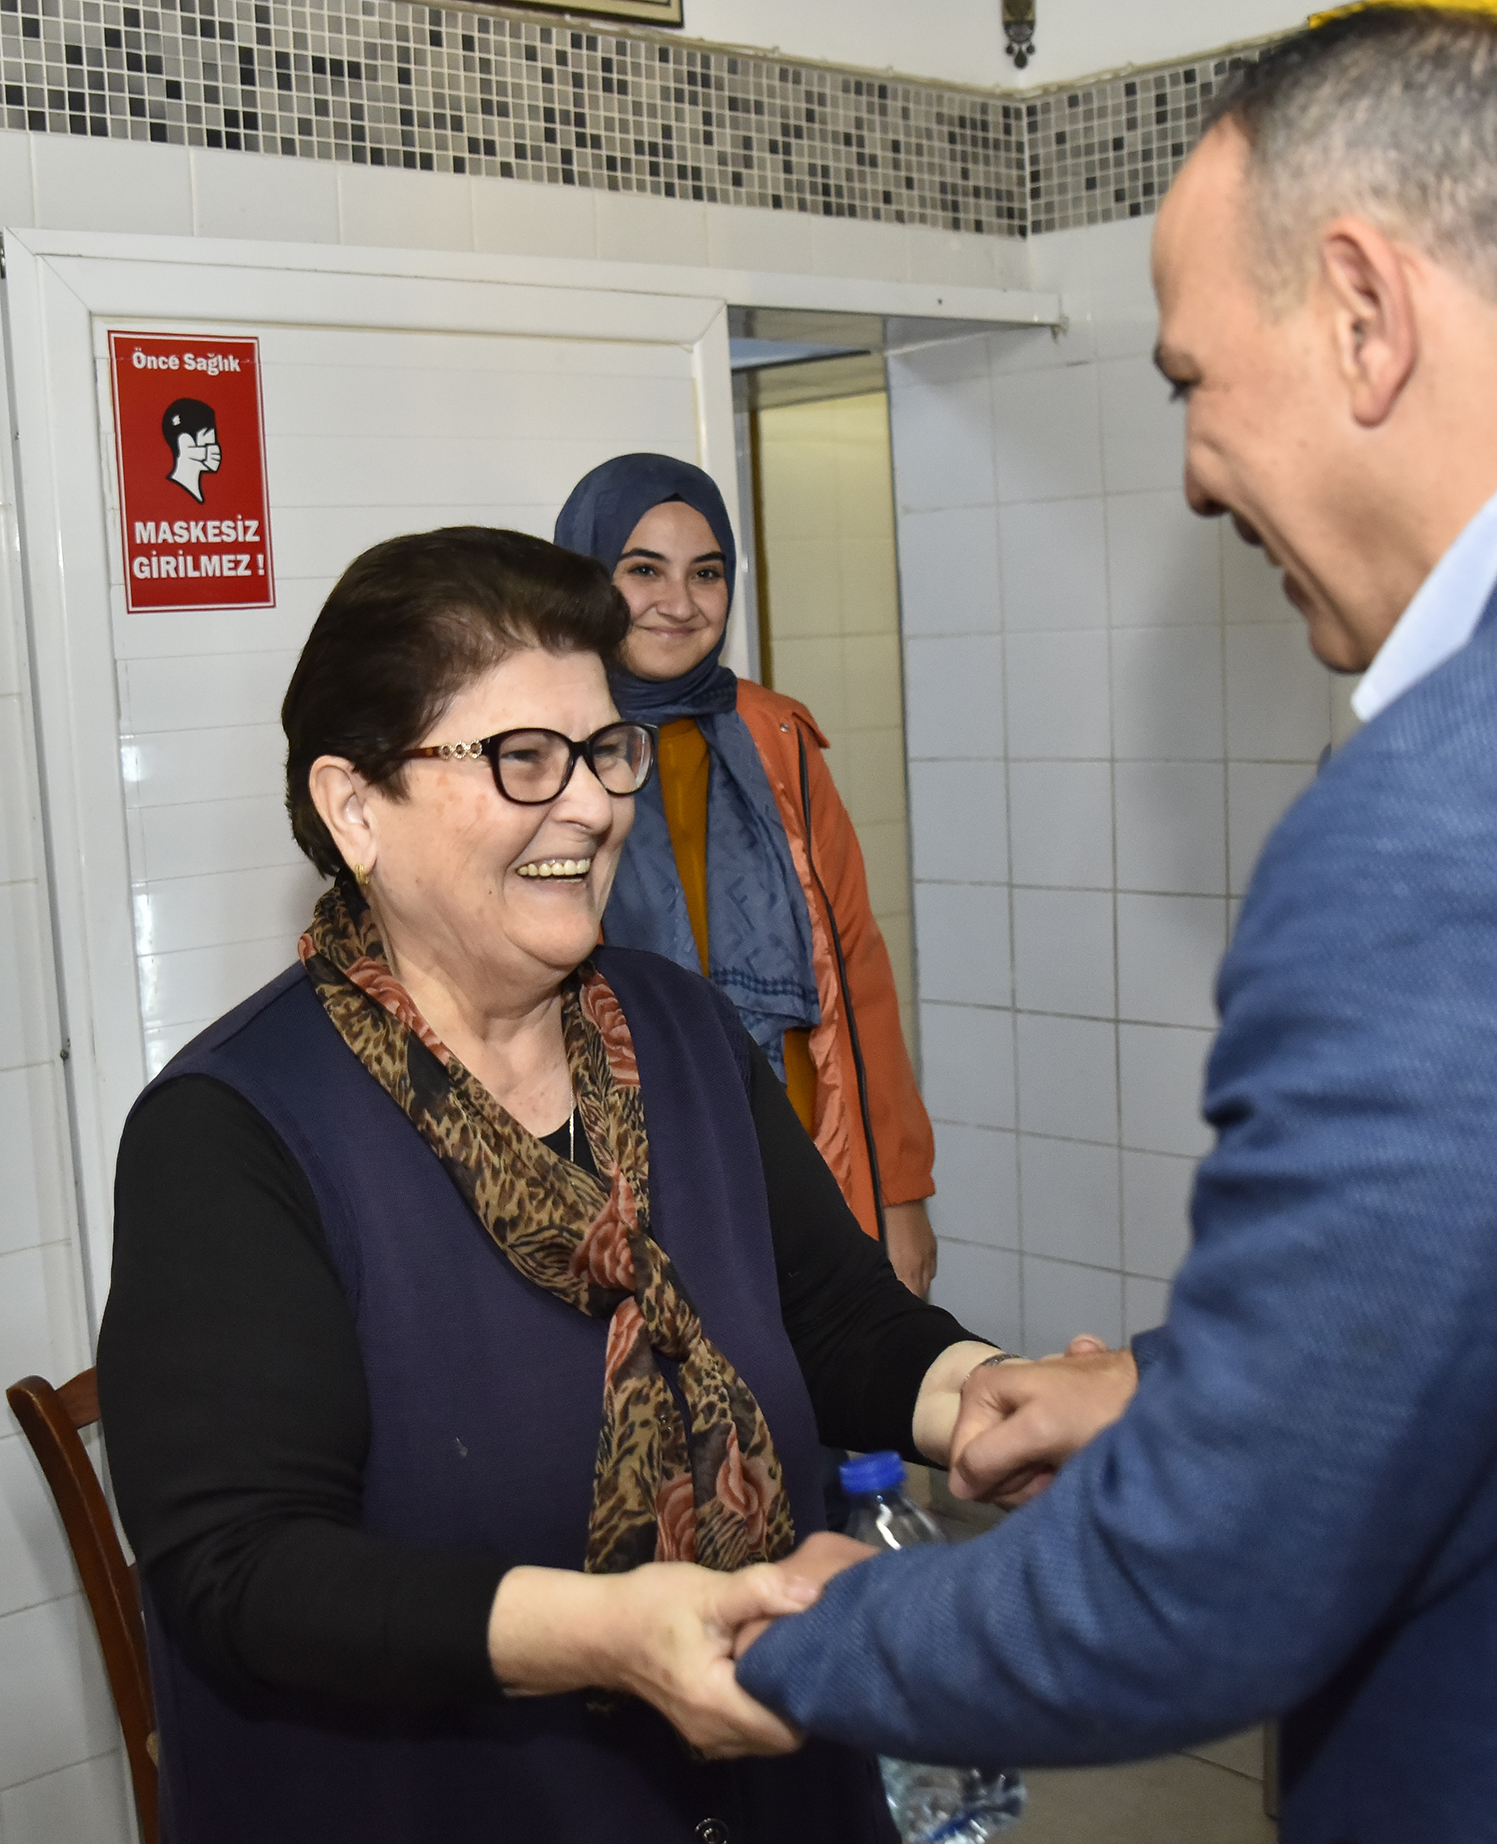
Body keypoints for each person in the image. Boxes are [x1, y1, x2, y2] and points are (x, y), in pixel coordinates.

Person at [735, 9, 1497, 1839]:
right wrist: (1183, 1382)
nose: (1194, 471)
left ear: (1361, 310)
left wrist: (815, 1633)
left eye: (1192, 379)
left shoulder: (1466, 809)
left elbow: (1197, 1589)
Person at [95, 527, 1004, 1843]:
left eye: (602, 748)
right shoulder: (237, 1130)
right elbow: (246, 1569)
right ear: (356, 806)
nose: (589, 803)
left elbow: (836, 1318)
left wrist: (991, 1397)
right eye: (523, 757)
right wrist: (604, 1629)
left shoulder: (679, 1032)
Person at [556, 455, 938, 1298]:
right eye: (643, 570)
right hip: (628, 1171)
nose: (680, 603)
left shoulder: (777, 737)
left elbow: (856, 973)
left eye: (707, 573)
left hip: (803, 1152)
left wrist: (899, 1191)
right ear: (587, 577)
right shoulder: (546, 748)